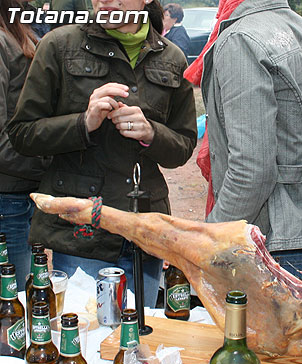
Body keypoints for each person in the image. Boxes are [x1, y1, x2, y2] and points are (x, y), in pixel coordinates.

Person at [9, 0, 197, 307]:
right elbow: (22, 134)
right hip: (82, 235)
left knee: (137, 343)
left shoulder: (172, 57)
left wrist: (151, 133)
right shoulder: (60, 45)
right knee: (86, 337)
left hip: (144, 232)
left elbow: (183, 147)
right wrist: (83, 123)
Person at [200, 0, 302, 283]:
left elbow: (251, 169)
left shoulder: (241, 40)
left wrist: (210, 238)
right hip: (301, 225)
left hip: (266, 240)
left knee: (241, 328)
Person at [0, 0, 51, 290]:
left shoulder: (18, 30)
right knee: (15, 297)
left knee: (30, 293)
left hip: (21, 192)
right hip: (8, 196)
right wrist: (46, 162)